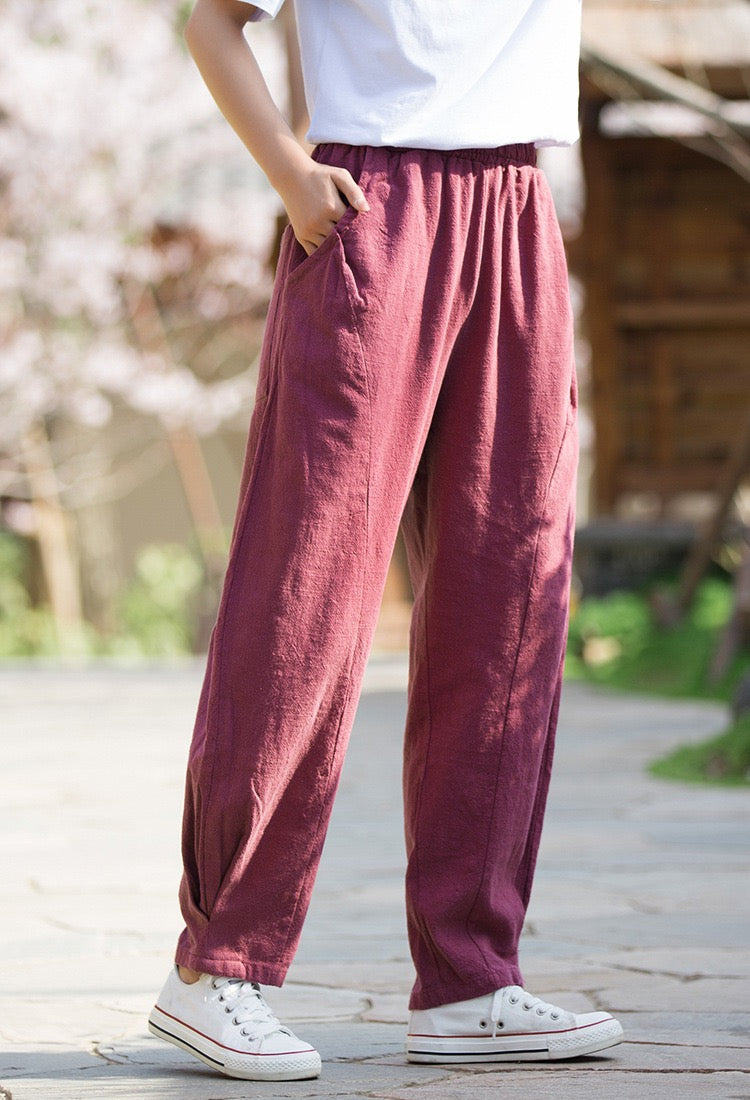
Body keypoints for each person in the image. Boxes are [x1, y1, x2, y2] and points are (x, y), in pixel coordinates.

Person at [148, 0, 624, 1082]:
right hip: (373, 204)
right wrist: (291, 176)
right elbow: (214, 20)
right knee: (306, 590)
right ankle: (216, 964)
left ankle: (470, 977)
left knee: (509, 591)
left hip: (518, 205)